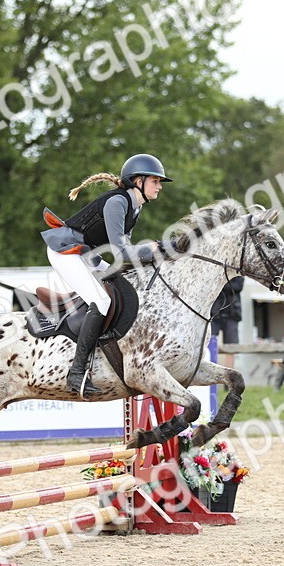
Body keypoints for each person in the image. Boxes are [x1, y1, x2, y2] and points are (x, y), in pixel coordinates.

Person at [41, 153, 170, 397]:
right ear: (138, 181)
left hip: (87, 255)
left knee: (121, 285)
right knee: (101, 300)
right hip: (66, 252)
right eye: (156, 181)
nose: (160, 186)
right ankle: (76, 373)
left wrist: (157, 253)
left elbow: (124, 258)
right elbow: (123, 253)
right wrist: (153, 248)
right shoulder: (118, 202)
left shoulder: (135, 208)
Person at [210, 276, 245, 368]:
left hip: (232, 314)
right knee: (209, 344)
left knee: (231, 347)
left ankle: (228, 377)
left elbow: (238, 286)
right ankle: (212, 374)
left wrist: (222, 284)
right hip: (215, 313)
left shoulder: (237, 272)